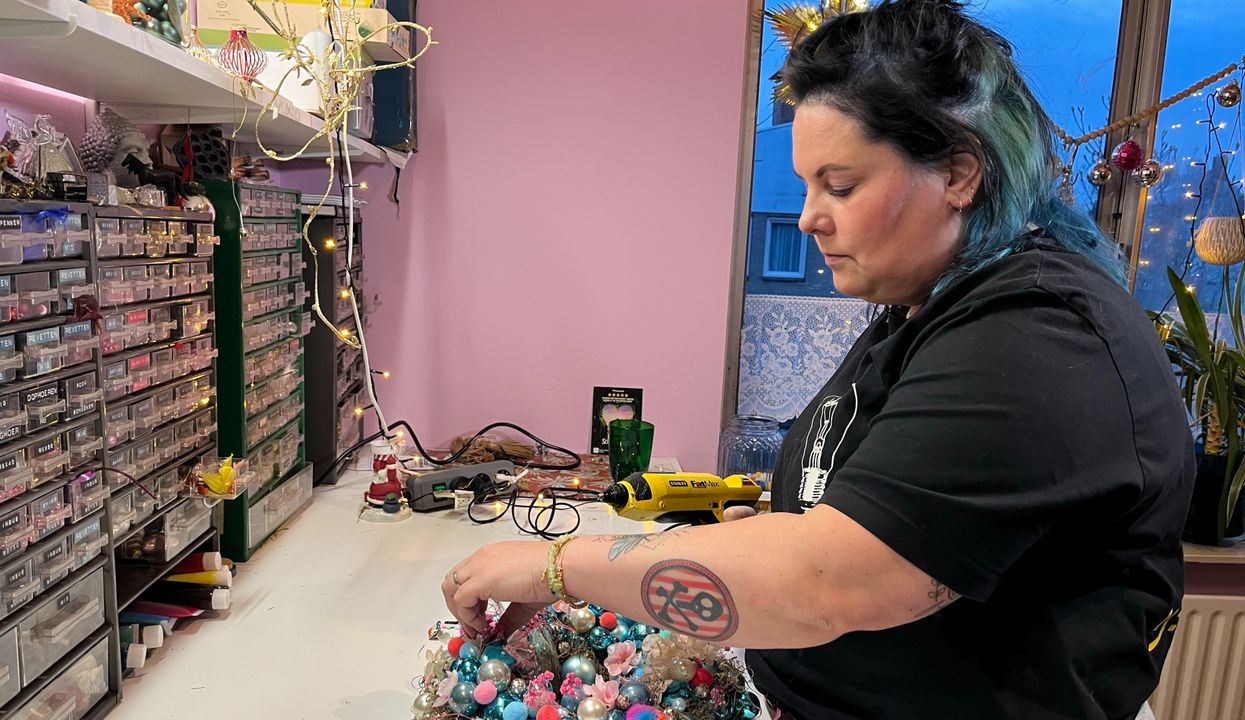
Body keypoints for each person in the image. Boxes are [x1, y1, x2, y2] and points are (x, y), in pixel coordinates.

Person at [441, 1, 1195, 717]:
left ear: (961, 173)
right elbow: (868, 511)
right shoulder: (923, 304)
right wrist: (761, 533)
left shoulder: (1036, 338)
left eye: (840, 184)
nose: (808, 217)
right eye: (808, 184)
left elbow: (826, 583)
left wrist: (561, 564)